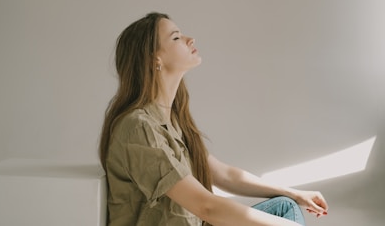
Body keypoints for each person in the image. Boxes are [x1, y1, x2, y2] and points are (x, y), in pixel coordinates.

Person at [99, 12, 329, 226]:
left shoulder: (172, 121)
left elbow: (224, 175)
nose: (190, 39)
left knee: (285, 206)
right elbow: (206, 206)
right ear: (154, 60)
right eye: (176, 37)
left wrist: (295, 193)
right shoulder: (138, 128)